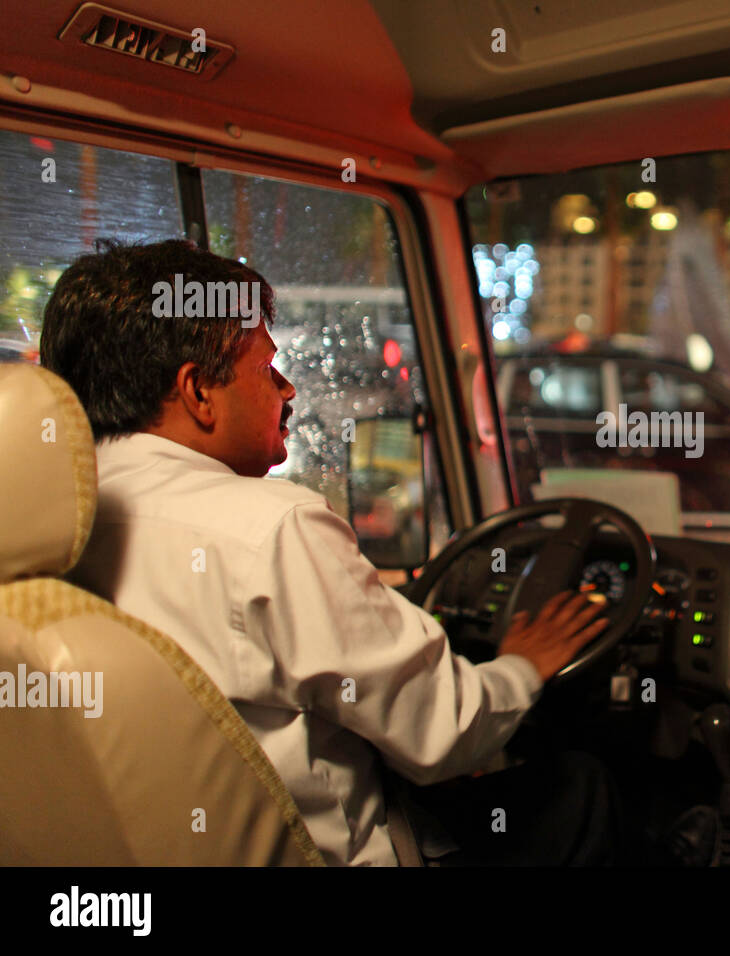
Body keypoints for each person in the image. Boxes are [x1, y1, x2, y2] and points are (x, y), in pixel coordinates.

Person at [40, 238, 618, 865]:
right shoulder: (271, 528)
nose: (287, 391)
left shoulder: (49, 519)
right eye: (266, 369)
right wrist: (521, 667)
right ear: (198, 392)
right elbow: (443, 734)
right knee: (580, 786)